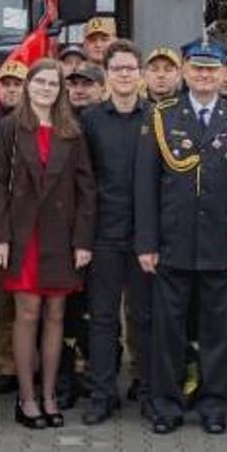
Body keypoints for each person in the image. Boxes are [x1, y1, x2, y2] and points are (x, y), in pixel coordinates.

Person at [135, 40, 227, 434]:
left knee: (217, 333)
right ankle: (167, 404)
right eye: (198, 69)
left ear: (224, 73)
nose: (205, 76)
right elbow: (146, 187)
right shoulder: (161, 116)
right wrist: (147, 243)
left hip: (221, 247)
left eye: (213, 69)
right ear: (185, 72)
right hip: (173, 244)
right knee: (168, 332)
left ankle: (213, 405)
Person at [0, 60, 97, 429]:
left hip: (61, 237)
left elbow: (86, 191)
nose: (47, 88)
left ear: (60, 90)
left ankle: (50, 396)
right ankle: (26, 397)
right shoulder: (9, 128)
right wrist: (0, 237)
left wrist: (83, 240)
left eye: (53, 83)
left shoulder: (72, 131)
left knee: (56, 317)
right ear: (29, 86)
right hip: (24, 235)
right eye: (40, 82)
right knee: (27, 314)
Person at [80, 41, 147, 424]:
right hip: (103, 233)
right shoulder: (90, 120)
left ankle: (148, 390)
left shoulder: (155, 117)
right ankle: (103, 394)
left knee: (144, 317)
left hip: (144, 237)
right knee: (102, 319)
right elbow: (84, 182)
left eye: (130, 68)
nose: (124, 74)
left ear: (139, 75)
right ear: (106, 73)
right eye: (118, 68)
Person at [0, 56, 30, 397]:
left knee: (32, 305)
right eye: (6, 85)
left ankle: (33, 366)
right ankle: (7, 367)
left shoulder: (36, 124)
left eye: (18, 85)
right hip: (0, 230)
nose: (12, 90)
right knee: (2, 306)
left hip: (32, 230)